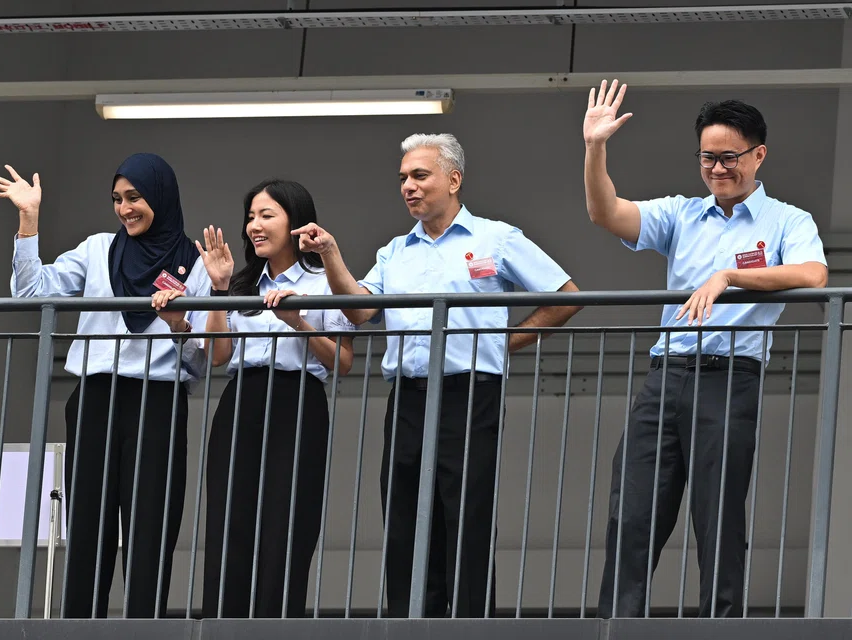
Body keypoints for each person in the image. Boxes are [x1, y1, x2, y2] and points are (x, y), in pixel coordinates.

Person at [289, 133, 582, 618]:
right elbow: (360, 312)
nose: (408, 186)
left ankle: (470, 628)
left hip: (470, 393)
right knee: (404, 519)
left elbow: (565, 296)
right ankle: (410, 626)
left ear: (453, 178)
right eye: (402, 178)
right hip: (407, 396)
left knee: (465, 515)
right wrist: (331, 254)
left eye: (419, 175)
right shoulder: (395, 251)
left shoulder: (496, 238)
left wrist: (504, 341)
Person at [582, 80, 829, 618]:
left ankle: (720, 625)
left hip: (730, 376)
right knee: (633, 507)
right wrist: (595, 147)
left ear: (758, 155)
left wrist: (729, 277)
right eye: (707, 158)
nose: (717, 169)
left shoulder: (787, 220)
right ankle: (617, 624)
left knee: (717, 514)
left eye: (729, 158)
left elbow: (813, 274)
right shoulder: (682, 214)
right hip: (666, 375)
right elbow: (607, 213)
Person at [0, 153, 211, 618]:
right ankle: (78, 627)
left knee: (150, 525)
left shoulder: (198, 265)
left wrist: (178, 326)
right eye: (117, 199)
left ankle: (143, 629)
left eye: (135, 197)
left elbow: (199, 363)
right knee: (88, 522)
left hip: (158, 401)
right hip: (94, 399)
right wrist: (29, 221)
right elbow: (32, 292)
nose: (125, 208)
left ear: (162, 197)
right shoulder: (96, 249)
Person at [153, 179, 356, 618]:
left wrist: (298, 322)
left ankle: (275, 626)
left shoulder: (323, 281)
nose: (254, 226)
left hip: (298, 401)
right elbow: (220, 355)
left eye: (267, 215)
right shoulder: (240, 282)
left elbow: (342, 362)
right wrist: (220, 291)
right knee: (230, 521)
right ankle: (223, 625)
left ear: (295, 221)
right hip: (241, 399)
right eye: (250, 217)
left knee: (288, 524)